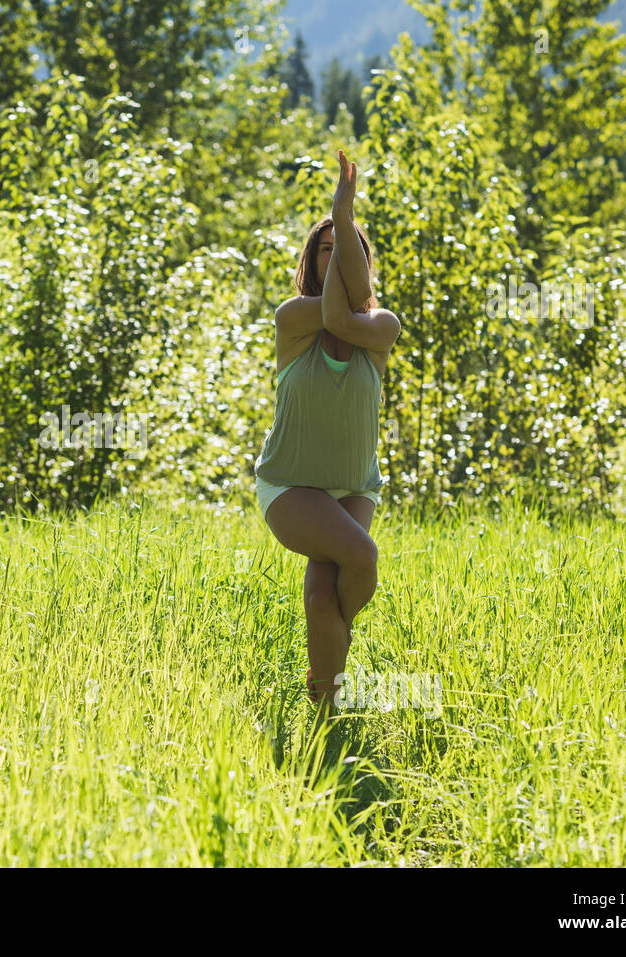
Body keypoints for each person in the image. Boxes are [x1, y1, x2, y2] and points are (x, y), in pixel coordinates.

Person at [254, 149, 402, 715]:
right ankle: (332, 697)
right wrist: (344, 216)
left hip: (352, 485)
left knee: (321, 597)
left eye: (349, 252)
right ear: (310, 263)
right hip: (292, 485)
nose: (336, 257)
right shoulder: (293, 319)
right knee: (360, 559)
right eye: (326, 250)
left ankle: (323, 712)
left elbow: (351, 317)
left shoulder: (382, 328)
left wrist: (344, 223)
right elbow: (333, 317)